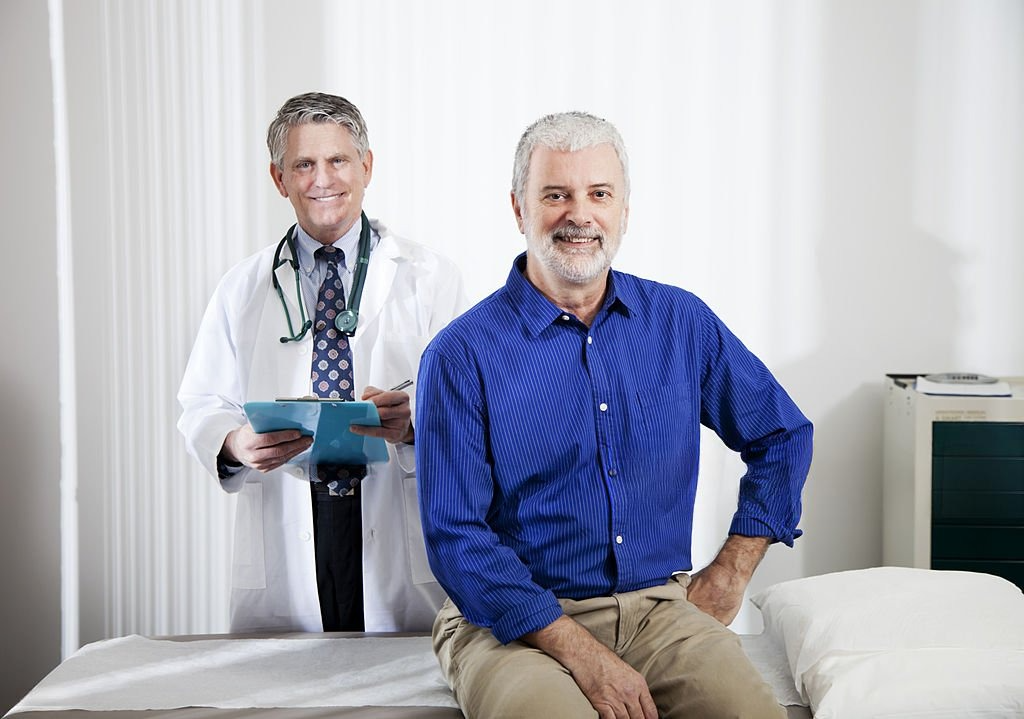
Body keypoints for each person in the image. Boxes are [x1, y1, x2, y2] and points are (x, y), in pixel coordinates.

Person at [415, 111, 813, 719]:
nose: (580, 214)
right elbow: (457, 538)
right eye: (556, 195)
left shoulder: (682, 324)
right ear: (519, 210)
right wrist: (580, 651)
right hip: (510, 624)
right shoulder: (460, 355)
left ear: (624, 210)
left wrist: (733, 569)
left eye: (599, 194)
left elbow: (782, 433)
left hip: (659, 611)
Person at [178, 92, 465, 634]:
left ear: (367, 166)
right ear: (278, 179)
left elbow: (473, 405)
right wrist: (235, 443)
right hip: (289, 511)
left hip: (391, 511)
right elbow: (200, 403)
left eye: (338, 160)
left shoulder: (430, 277)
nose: (322, 179)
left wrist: (415, 421)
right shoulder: (242, 287)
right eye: (303, 164)